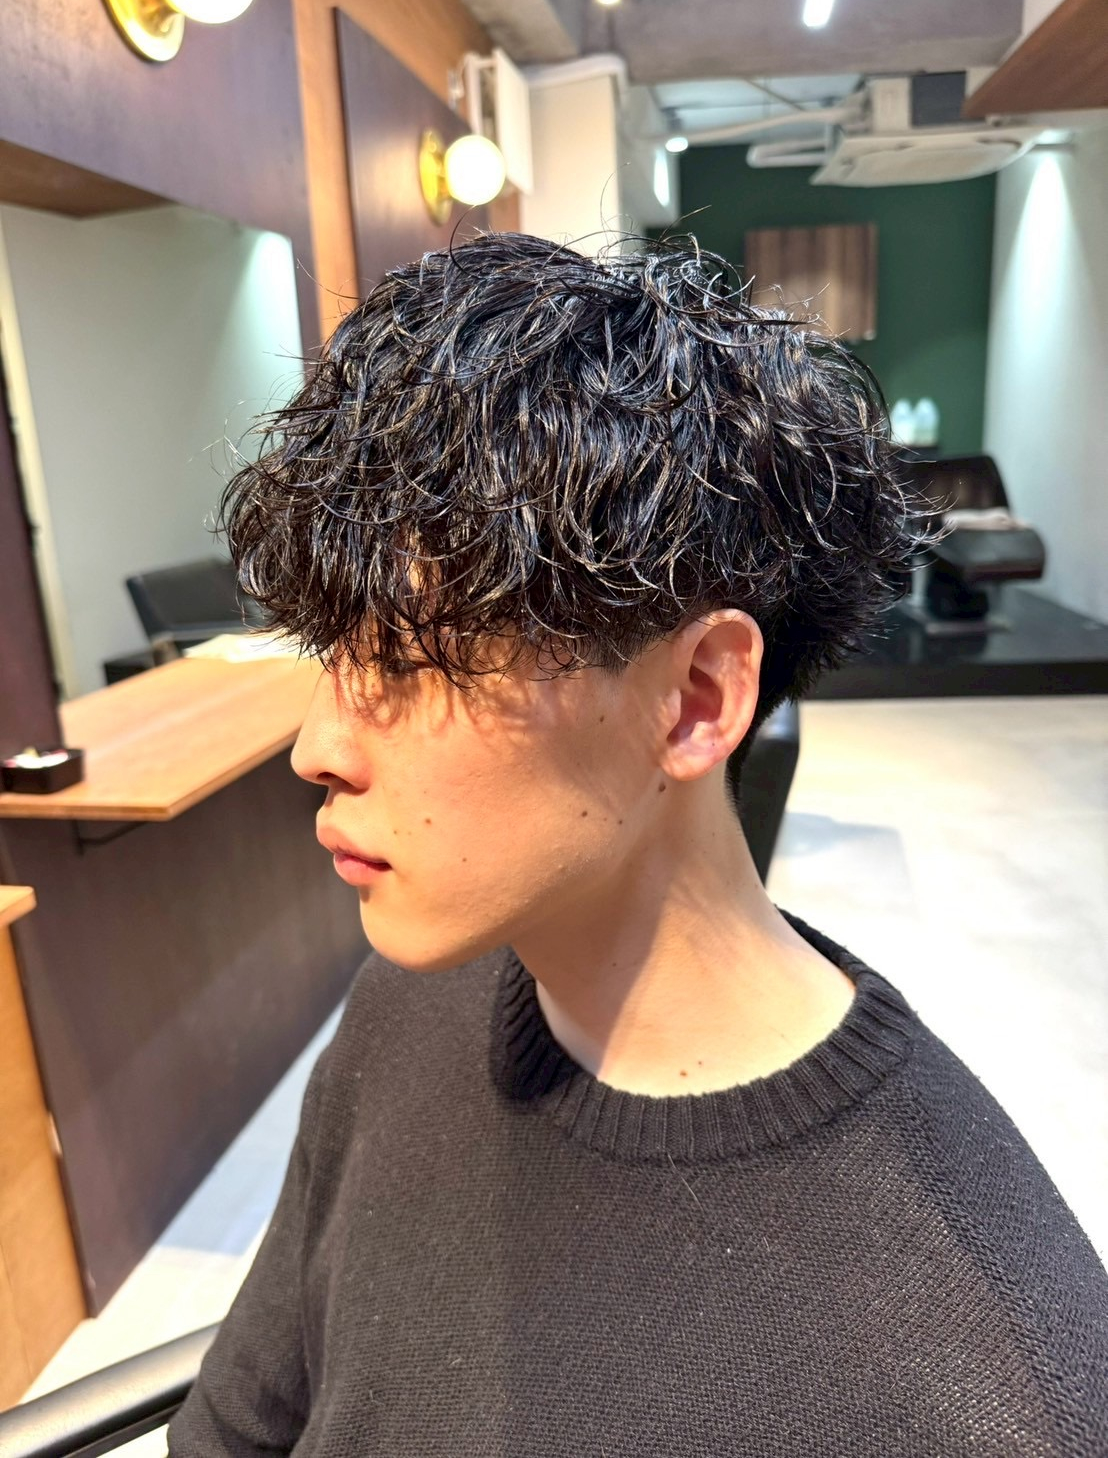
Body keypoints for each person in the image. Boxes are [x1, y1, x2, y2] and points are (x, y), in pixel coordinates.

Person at [168, 232, 1108, 1456]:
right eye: (331, 656)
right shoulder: (407, 1002)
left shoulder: (999, 1385)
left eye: (407, 661)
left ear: (696, 698)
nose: (317, 747)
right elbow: (231, 1432)